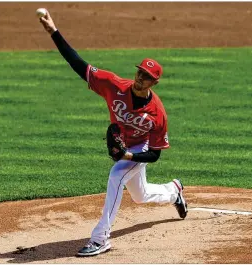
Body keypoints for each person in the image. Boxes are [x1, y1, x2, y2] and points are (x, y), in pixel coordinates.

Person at [39, 10, 188, 257]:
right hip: (126, 147)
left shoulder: (157, 114)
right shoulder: (114, 85)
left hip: (139, 149)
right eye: (140, 72)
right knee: (140, 196)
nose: (141, 78)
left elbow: (154, 155)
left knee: (116, 175)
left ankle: (100, 238)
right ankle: (174, 190)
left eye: (147, 77)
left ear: (154, 83)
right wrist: (54, 32)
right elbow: (79, 65)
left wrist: (128, 155)